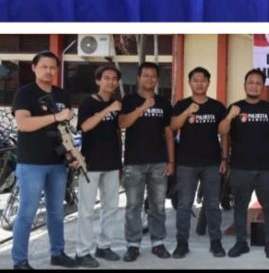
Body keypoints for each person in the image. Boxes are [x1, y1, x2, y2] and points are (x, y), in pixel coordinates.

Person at [11, 51, 79, 271]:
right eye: (44, 67)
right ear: (34, 68)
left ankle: (57, 254)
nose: (49, 71)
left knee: (56, 213)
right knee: (27, 213)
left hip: (58, 163)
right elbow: (24, 124)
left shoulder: (62, 94)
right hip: (31, 162)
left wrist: (71, 154)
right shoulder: (25, 93)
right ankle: (20, 261)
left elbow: (64, 129)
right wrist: (55, 116)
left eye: (52, 67)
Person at [219, 67, 269, 260]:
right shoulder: (234, 107)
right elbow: (223, 132)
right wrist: (230, 116)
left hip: (266, 168)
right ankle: (241, 243)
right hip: (240, 167)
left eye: (258, 83)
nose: (254, 86)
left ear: (262, 87)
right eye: (251, 82)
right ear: (244, 85)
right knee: (240, 206)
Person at [118, 62, 174, 263]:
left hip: (159, 162)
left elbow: (168, 133)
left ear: (157, 79)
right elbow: (122, 123)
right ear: (139, 78)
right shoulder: (129, 100)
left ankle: (158, 242)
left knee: (158, 206)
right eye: (146, 75)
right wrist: (142, 108)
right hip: (134, 162)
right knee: (133, 206)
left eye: (153, 76)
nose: (149, 79)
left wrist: (171, 160)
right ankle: (133, 245)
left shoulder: (164, 103)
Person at [170, 66, 227, 259]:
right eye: (195, 80)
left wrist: (224, 159)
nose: (199, 83)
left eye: (203, 80)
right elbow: (174, 126)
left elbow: (224, 133)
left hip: (212, 163)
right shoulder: (182, 104)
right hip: (187, 163)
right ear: (190, 83)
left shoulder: (217, 106)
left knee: (213, 205)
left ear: (208, 82)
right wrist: (188, 112)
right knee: (184, 205)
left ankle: (216, 242)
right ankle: (182, 243)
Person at [75, 64, 123, 268]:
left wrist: (120, 161)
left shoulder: (117, 103)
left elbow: (117, 131)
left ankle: (104, 246)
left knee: (111, 207)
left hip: (112, 162)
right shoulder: (88, 103)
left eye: (114, 78)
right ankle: (82, 251)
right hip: (90, 163)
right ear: (98, 81)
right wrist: (108, 110)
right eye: (106, 78)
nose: (111, 82)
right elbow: (85, 126)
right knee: (86, 210)